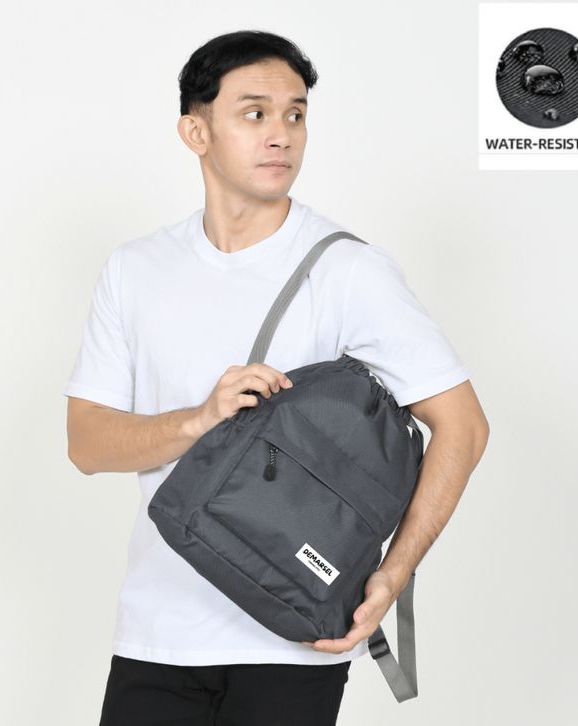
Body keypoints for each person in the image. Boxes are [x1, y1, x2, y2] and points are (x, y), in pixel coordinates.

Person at [63, 29, 489, 726]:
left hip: (294, 639)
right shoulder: (135, 270)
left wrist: (392, 575)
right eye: (255, 113)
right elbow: (86, 444)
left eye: (296, 115)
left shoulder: (349, 271)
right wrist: (200, 419)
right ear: (196, 132)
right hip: (156, 635)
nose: (281, 135)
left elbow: (463, 427)